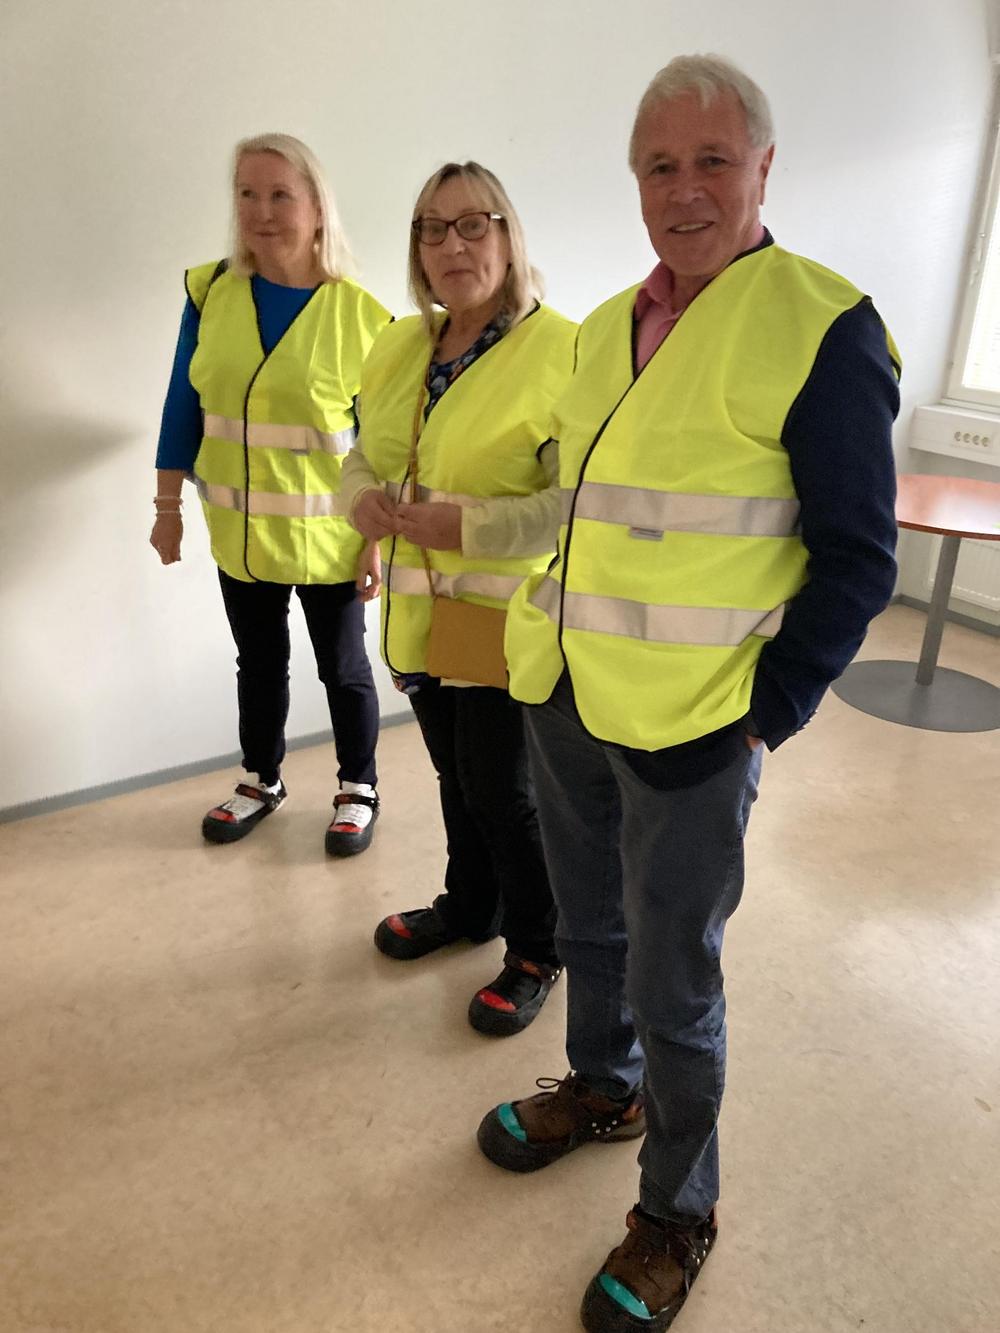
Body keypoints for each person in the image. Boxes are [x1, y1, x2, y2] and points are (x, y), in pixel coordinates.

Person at [476, 56, 900, 1330]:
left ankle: (677, 1210)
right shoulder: (606, 324)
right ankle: (600, 1089)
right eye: (659, 166)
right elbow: (585, 506)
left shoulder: (823, 326)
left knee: (675, 977)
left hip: (700, 724)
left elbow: (858, 557)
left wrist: (768, 710)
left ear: (764, 167)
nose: (684, 189)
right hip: (569, 691)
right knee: (589, 930)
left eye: (713, 160)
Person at [342, 162, 577, 1035]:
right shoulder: (400, 346)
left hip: (505, 620)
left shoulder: (563, 351)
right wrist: (360, 505)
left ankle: (538, 946)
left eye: (475, 223)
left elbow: (573, 503)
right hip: (418, 617)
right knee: (456, 777)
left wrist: (465, 527)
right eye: (432, 228)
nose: (453, 244)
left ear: (509, 236)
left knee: (503, 792)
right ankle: (470, 905)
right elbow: (361, 455)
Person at [150, 134, 391, 856]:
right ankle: (261, 777)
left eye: (280, 194)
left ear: (317, 207)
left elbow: (383, 446)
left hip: (332, 537)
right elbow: (182, 407)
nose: (261, 211)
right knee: (257, 663)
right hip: (242, 533)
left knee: (343, 668)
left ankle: (358, 785)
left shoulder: (362, 316)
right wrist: (166, 509)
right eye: (247, 194)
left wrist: (378, 540)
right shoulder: (211, 295)